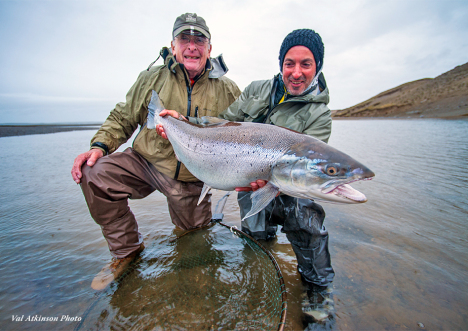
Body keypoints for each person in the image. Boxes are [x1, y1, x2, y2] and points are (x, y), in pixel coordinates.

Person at [157, 28, 334, 321]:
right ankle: (259, 274)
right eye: (290, 63)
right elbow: (225, 124)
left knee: (307, 221)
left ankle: (318, 294)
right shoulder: (256, 90)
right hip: (250, 186)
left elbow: (310, 170)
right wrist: (185, 122)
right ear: (281, 65)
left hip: (291, 188)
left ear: (317, 67)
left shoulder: (320, 115)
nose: (297, 72)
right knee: (255, 240)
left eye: (306, 63)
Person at [71, 13, 241, 291]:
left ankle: (193, 279)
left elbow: (243, 135)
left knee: (195, 242)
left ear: (210, 48)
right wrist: (99, 146)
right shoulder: (151, 78)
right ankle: (127, 253)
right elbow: (123, 117)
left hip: (191, 178)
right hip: (146, 162)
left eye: (199, 39)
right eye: (184, 38)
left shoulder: (229, 90)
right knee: (94, 173)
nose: (191, 46)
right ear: (173, 46)